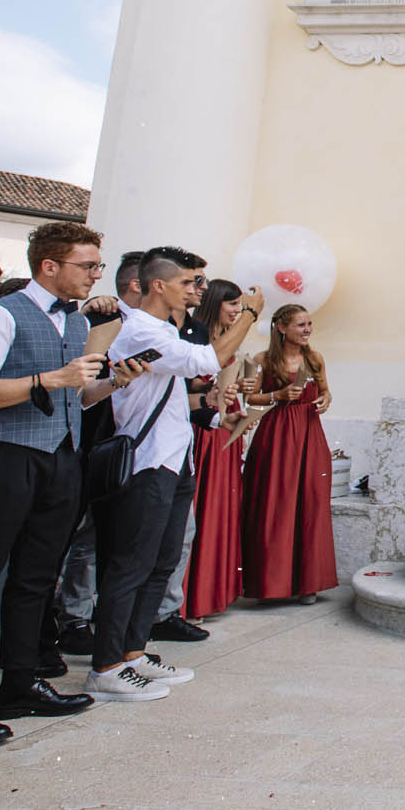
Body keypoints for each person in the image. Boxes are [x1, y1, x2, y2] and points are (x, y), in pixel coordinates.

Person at [0, 222, 133, 747]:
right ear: (50, 266)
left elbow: (77, 396)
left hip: (61, 458)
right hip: (5, 455)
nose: (96, 274)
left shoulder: (75, 320)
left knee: (36, 577)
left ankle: (20, 683)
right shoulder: (3, 313)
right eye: (87, 265)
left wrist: (111, 383)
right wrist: (49, 380)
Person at [87, 249, 259, 702]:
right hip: (146, 460)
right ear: (158, 285)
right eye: (188, 283)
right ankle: (105, 665)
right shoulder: (141, 329)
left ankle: (131, 652)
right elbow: (208, 361)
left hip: (175, 456)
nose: (197, 291)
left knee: (161, 562)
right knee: (131, 564)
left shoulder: (164, 329)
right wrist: (251, 315)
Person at [52, 250, 147, 656]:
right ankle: (68, 617)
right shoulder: (100, 314)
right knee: (75, 538)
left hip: (113, 439)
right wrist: (93, 310)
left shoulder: (159, 326)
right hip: (80, 441)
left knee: (97, 537)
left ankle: (84, 614)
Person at [240, 304, 338, 603]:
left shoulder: (315, 358)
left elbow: (325, 391)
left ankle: (308, 583)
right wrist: (278, 396)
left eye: (309, 324)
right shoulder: (262, 360)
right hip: (277, 434)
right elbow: (249, 399)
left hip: (310, 434)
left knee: (309, 505)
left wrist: (324, 399)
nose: (307, 329)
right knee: (275, 505)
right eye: (300, 325)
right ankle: (269, 583)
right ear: (281, 328)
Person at [179, 279, 250, 622]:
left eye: (240, 305)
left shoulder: (227, 340)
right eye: (231, 304)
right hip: (202, 425)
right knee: (198, 508)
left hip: (224, 422)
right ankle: (187, 598)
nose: (237, 310)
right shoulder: (198, 336)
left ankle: (209, 592)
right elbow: (198, 383)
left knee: (219, 506)